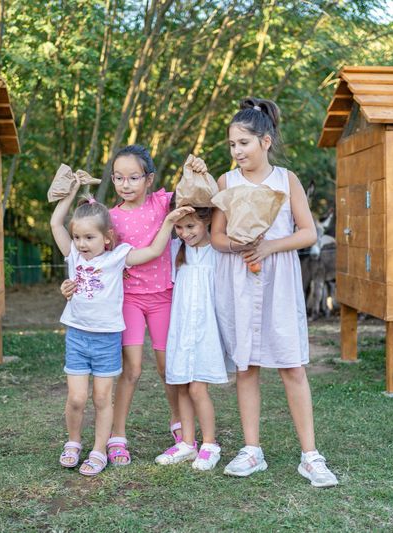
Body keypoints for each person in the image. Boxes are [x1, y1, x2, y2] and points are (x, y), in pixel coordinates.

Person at [210, 97, 339, 487]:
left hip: (279, 280)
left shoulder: (287, 180)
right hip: (239, 280)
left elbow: (308, 232)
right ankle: (252, 450)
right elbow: (215, 237)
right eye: (232, 145)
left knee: (292, 366)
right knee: (246, 367)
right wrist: (239, 244)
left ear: (265, 141)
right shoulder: (226, 182)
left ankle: (310, 456)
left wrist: (268, 245)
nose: (237, 152)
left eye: (243, 144)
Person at [50, 180, 192, 476]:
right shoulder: (73, 256)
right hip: (76, 336)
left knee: (102, 398)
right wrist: (72, 193)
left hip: (106, 340)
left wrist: (168, 222)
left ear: (107, 238)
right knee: (76, 398)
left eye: (89, 237)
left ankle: (100, 450)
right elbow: (55, 223)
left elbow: (153, 251)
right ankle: (73, 442)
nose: (81, 243)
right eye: (77, 237)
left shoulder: (117, 257)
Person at [105, 145, 206, 465]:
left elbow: (199, 197)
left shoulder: (164, 203)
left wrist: (197, 171)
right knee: (132, 369)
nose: (126, 184)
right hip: (129, 299)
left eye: (133, 177)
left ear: (148, 179)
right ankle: (116, 434)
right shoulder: (110, 217)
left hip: (164, 297)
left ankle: (179, 423)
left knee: (168, 368)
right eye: (119, 178)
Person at [154, 207, 231, 471]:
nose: (185, 233)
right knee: (182, 386)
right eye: (180, 227)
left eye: (191, 227)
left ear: (207, 221)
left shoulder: (218, 253)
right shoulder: (176, 251)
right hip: (182, 328)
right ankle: (187, 443)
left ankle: (210, 444)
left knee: (198, 388)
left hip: (206, 330)